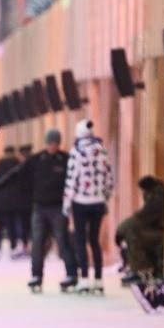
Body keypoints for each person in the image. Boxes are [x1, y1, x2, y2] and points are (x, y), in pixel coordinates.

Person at [0, 129, 77, 292]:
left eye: (55, 143)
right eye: (50, 143)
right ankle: (36, 276)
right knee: (38, 242)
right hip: (39, 207)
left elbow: (75, 178)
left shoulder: (65, 160)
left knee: (62, 240)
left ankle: (71, 274)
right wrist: (2, 184)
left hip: (58, 208)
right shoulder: (37, 160)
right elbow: (19, 172)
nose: (52, 146)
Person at [63, 119, 114, 294]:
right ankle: (98, 280)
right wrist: (104, 197)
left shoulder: (76, 151)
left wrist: (66, 204)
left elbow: (71, 179)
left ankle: (84, 279)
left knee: (80, 240)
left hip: (80, 202)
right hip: (98, 202)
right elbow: (110, 178)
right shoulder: (102, 150)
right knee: (94, 241)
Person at [116, 176, 164, 284]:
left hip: (162, 233)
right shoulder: (153, 194)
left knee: (134, 234)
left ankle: (141, 271)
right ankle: (138, 270)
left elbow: (143, 216)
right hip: (157, 230)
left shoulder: (157, 196)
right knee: (132, 232)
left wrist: (121, 229)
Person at [0, 145, 24, 260]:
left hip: (1, 200)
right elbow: (21, 183)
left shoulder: (0, 163)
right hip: (14, 201)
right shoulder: (18, 164)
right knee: (12, 225)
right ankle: (13, 248)